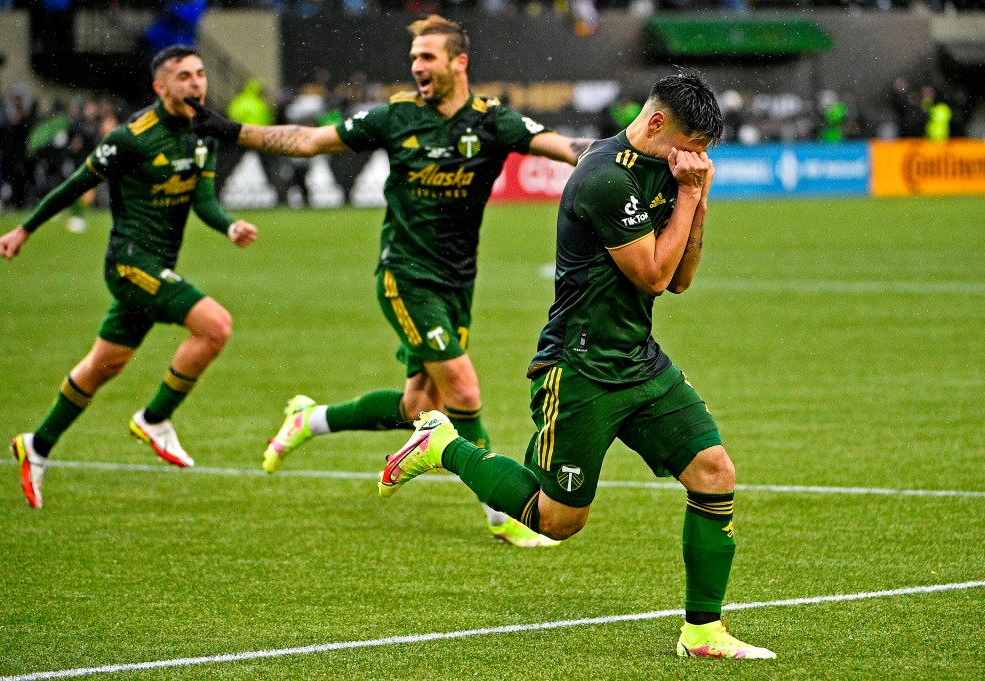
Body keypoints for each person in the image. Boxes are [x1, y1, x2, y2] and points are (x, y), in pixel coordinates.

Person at [377, 69, 777, 660]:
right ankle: (444, 446)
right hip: (580, 367)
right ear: (658, 122)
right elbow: (655, 276)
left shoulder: (670, 170)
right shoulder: (603, 178)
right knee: (558, 521)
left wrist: (700, 195)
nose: (696, 163)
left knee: (714, 472)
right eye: (692, 149)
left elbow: (683, 278)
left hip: (638, 360)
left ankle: (702, 632)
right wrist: (691, 194)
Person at [187, 15, 590, 548]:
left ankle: (311, 419)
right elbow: (309, 141)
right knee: (463, 388)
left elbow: (569, 150)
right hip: (405, 275)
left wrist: (637, 154)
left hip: (456, 282)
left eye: (428, 57)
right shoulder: (396, 117)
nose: (417, 67)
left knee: (416, 407)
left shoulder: (492, 123)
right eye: (414, 58)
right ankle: (505, 514)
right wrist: (233, 130)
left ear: (458, 62)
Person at [0, 45, 258, 509]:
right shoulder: (131, 137)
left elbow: (204, 202)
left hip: (158, 267)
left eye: (200, 74)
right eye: (184, 76)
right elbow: (76, 184)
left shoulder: (204, 134)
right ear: (161, 87)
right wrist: (24, 229)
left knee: (102, 367)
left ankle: (36, 446)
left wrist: (229, 225)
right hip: (130, 263)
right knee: (215, 326)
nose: (196, 83)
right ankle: (156, 418)